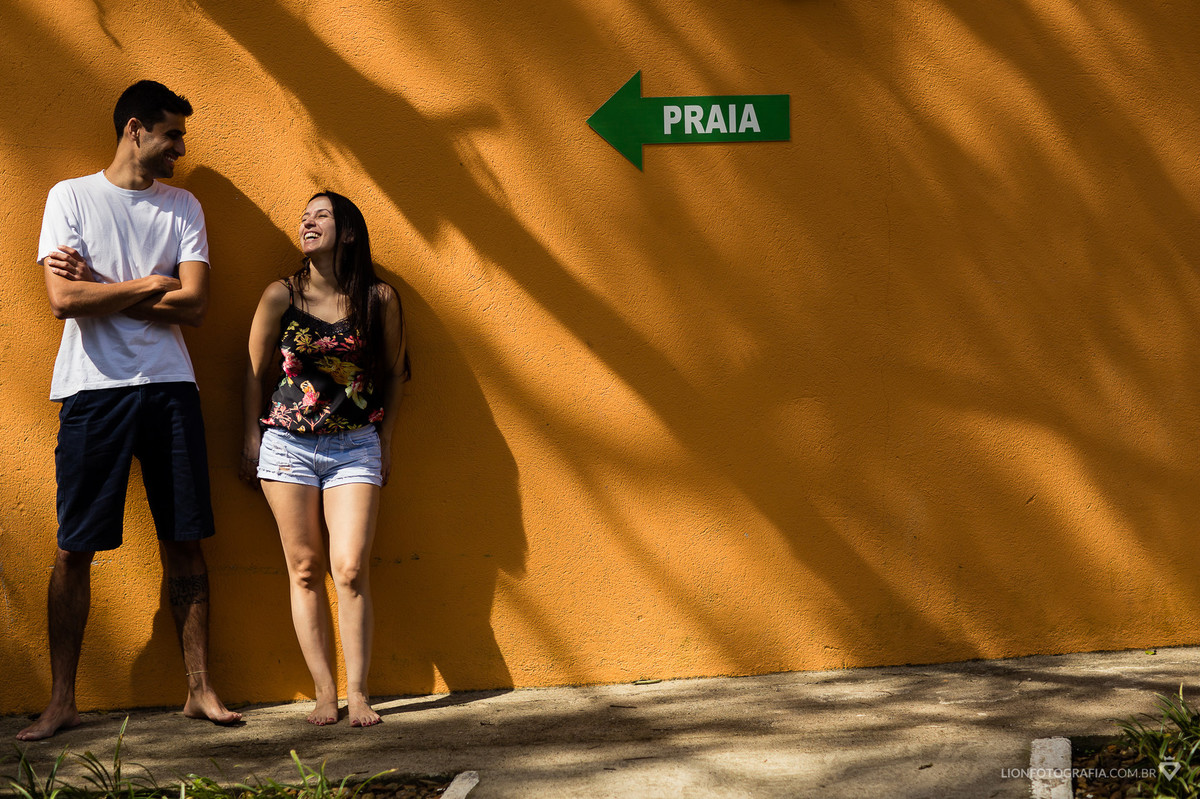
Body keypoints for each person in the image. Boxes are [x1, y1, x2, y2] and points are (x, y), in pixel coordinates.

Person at [20, 80, 241, 741]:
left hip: (170, 385)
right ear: (136, 129)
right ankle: (62, 700)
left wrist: (101, 288)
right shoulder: (70, 197)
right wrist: (150, 283)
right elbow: (62, 301)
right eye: (173, 134)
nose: (180, 148)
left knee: (186, 540)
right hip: (91, 390)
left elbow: (196, 306)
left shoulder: (184, 205)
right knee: (73, 548)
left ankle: (200, 691)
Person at [240, 191, 408, 727]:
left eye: (322, 216)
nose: (307, 222)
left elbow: (394, 375)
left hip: (356, 444)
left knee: (351, 567)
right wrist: (250, 436)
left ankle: (359, 694)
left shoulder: (379, 298)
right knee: (306, 568)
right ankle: (324, 694)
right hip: (286, 446)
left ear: (349, 232)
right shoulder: (279, 295)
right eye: (304, 216)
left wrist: (387, 440)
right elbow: (253, 371)